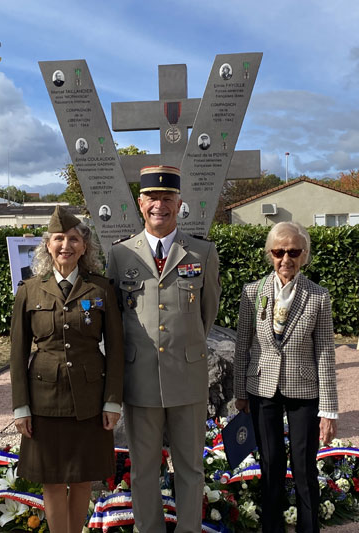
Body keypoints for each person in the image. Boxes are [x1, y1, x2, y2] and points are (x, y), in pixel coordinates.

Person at [107, 165, 221, 533]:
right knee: (143, 470)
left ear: (179, 203)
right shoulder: (121, 255)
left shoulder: (202, 252)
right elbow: (116, 320)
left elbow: (207, 315)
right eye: (152, 198)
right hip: (139, 381)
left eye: (167, 198)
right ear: (140, 204)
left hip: (187, 378)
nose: (160, 205)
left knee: (190, 468)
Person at [10, 206, 124, 533]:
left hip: (90, 399)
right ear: (47, 245)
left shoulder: (101, 289)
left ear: (85, 246)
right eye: (59, 238)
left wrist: (113, 401)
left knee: (84, 478)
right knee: (54, 482)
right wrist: (21, 406)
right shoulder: (29, 290)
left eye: (74, 239)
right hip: (44, 400)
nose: (66, 245)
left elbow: (116, 350)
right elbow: (16, 353)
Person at [233, 221, 338, 533]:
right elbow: (242, 347)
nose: (286, 259)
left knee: (304, 470)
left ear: (304, 255)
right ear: (270, 254)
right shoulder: (252, 292)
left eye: (294, 251)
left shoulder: (319, 297)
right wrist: (240, 391)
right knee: (270, 465)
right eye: (279, 251)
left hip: (304, 390)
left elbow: (325, 354)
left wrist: (329, 410)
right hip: (261, 387)